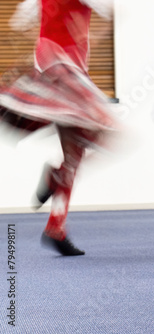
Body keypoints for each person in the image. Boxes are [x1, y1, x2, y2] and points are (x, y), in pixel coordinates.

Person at [0, 0, 116, 256]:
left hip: (49, 75)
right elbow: (109, 10)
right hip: (68, 77)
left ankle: (56, 227)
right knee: (104, 136)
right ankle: (52, 180)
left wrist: (41, 35)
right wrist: (91, 35)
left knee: (75, 153)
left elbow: (18, 21)